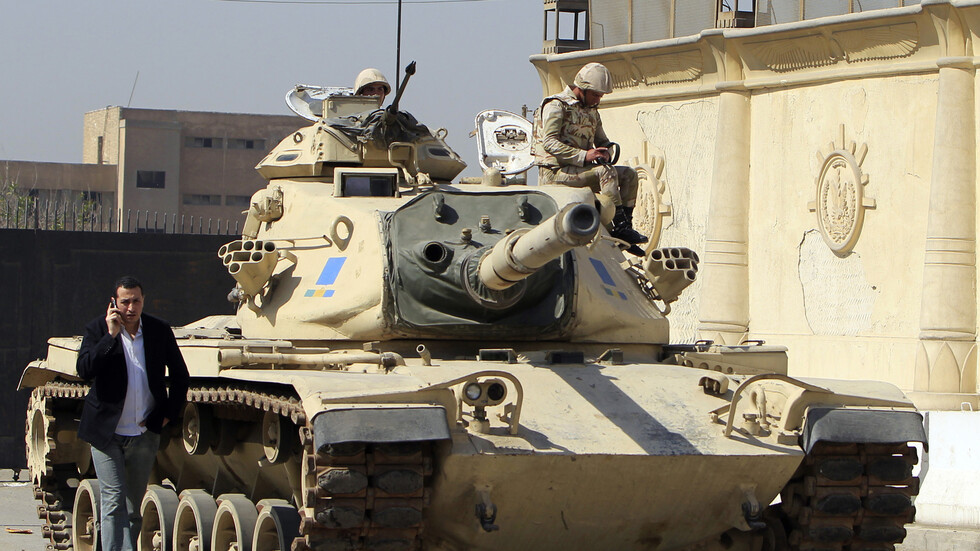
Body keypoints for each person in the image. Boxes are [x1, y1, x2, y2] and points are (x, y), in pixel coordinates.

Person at [76, 276, 189, 551]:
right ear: (114, 303)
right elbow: (85, 370)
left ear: (143, 301)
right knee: (113, 500)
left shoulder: (158, 330)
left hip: (143, 432)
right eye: (125, 302)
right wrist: (110, 336)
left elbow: (180, 375)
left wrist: (168, 414)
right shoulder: (98, 329)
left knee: (131, 507)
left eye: (136, 301)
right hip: (106, 433)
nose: (131, 308)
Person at [532, 62, 648, 254]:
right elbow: (549, 142)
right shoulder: (556, 105)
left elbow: (603, 141)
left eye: (600, 96)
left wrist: (606, 152)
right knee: (606, 172)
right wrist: (585, 155)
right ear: (582, 89)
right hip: (555, 174)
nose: (598, 99)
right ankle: (618, 226)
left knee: (629, 174)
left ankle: (626, 226)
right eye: (595, 95)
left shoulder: (592, 111)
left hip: (580, 171)